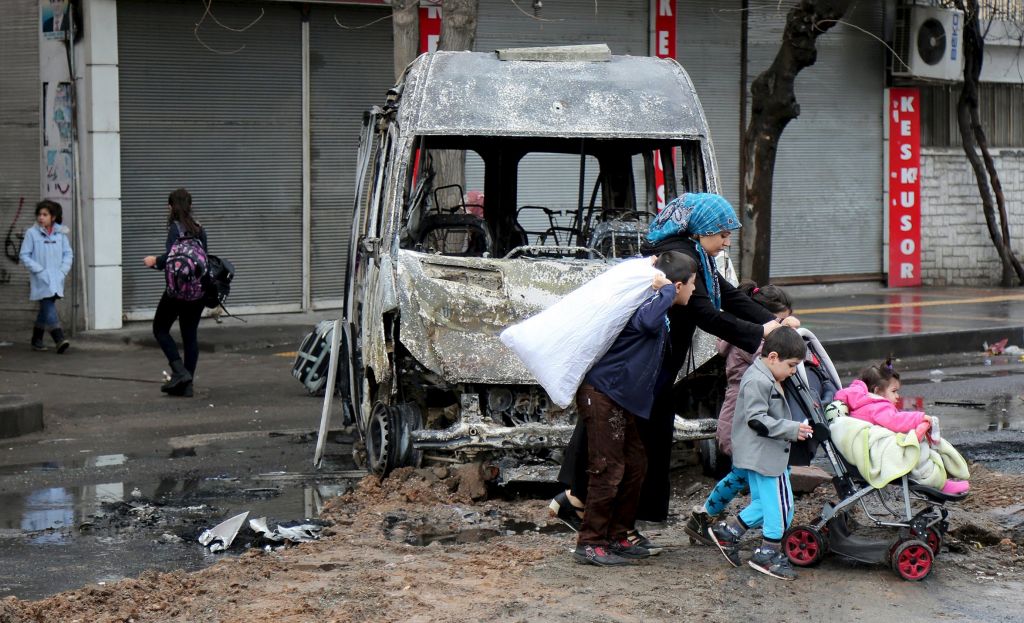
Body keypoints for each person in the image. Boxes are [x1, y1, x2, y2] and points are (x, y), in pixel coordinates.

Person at [552, 193, 795, 549]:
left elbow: (728, 296)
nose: (727, 242)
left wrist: (775, 321)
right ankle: (589, 516)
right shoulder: (681, 257)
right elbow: (705, 314)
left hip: (652, 369)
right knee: (627, 448)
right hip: (641, 371)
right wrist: (761, 332)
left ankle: (610, 521)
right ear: (704, 229)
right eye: (723, 234)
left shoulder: (700, 257)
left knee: (638, 446)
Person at [572, 251, 698, 567]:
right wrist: (666, 289)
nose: (694, 291)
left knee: (636, 463)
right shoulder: (650, 305)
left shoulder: (657, 304)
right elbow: (647, 321)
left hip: (619, 398)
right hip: (602, 394)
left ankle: (617, 535)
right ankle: (589, 542)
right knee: (608, 468)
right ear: (679, 284)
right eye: (692, 285)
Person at [682, 282, 795, 544]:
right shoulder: (755, 344)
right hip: (741, 417)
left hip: (739, 411)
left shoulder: (748, 337)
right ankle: (755, 526)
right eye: (780, 321)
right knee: (750, 475)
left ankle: (708, 519)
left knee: (742, 474)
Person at [707, 326, 812, 581]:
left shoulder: (762, 374)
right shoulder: (758, 380)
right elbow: (756, 419)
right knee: (780, 508)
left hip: (760, 455)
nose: (793, 371)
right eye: (792, 365)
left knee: (767, 504)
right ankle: (768, 553)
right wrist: (791, 429)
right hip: (765, 456)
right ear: (774, 357)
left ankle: (729, 532)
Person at [834, 359, 970, 495]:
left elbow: (894, 421)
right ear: (877, 391)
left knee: (915, 441)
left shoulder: (866, 404)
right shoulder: (875, 406)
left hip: (873, 451)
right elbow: (894, 421)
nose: (897, 396)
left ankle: (941, 473)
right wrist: (919, 418)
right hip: (879, 454)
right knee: (917, 445)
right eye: (894, 391)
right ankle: (935, 481)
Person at [143, 188, 208, 398]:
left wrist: (154, 261)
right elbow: (203, 261)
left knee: (160, 329)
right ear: (190, 206)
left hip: (176, 292)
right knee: (190, 337)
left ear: (171, 207)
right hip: (197, 293)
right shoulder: (200, 229)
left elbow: (171, 260)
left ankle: (180, 373)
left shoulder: (174, 229)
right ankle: (186, 385)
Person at [19, 200, 73, 353]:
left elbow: (68, 253)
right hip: (41, 278)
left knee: (45, 308)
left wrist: (63, 271)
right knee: (48, 304)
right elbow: (24, 255)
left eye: (45, 215)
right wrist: (39, 270)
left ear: (53, 217)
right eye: (39, 214)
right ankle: (59, 338)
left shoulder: (60, 234)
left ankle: (36, 340)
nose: (41, 218)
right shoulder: (32, 233)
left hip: (57, 277)